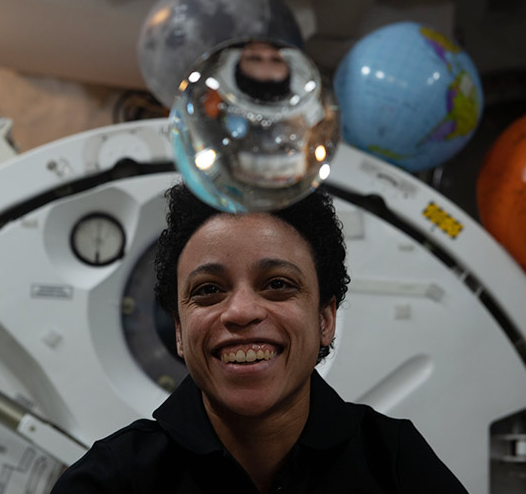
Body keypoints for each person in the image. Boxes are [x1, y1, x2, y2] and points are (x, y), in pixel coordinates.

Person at [50, 183, 468, 494]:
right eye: (209, 290)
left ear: (325, 319)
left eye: (278, 284)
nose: (242, 311)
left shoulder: (393, 463)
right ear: (179, 331)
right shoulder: (111, 481)